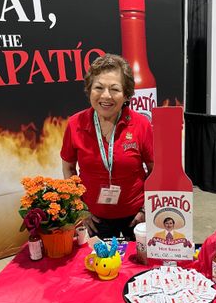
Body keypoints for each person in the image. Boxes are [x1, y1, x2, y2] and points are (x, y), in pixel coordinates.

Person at [61, 54, 153, 239]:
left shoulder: (141, 124)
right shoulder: (75, 124)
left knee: (137, 266)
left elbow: (155, 170)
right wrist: (81, 209)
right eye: (98, 88)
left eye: (114, 89)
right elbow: (69, 168)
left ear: (126, 94)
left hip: (136, 218)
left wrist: (146, 210)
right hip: (95, 219)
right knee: (102, 266)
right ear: (89, 90)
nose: (105, 96)